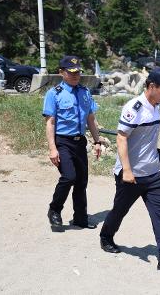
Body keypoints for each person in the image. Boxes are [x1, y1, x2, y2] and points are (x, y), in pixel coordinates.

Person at [99, 68, 160, 274]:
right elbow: (121, 138)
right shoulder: (134, 108)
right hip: (131, 175)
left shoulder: (156, 106)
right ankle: (106, 236)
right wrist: (127, 171)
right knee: (119, 210)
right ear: (152, 87)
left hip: (153, 173)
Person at [43, 55, 102, 230]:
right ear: (62, 72)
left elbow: (91, 119)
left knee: (81, 181)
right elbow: (50, 122)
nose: (76, 76)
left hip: (80, 142)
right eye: (71, 72)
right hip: (62, 141)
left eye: (78, 72)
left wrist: (97, 141)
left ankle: (80, 218)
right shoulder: (54, 94)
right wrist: (52, 149)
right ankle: (54, 209)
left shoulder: (85, 92)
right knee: (69, 177)